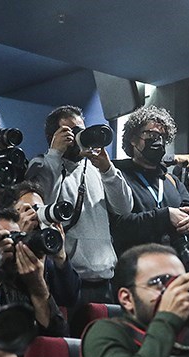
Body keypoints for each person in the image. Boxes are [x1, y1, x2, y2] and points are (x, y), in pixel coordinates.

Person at [25, 105, 132, 304]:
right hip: (68, 278)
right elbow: (41, 201)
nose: (77, 137)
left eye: (80, 130)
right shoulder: (42, 164)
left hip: (106, 278)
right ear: (52, 137)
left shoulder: (95, 167)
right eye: (70, 132)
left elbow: (124, 208)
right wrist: (55, 154)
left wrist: (107, 169)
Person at [110, 105, 189, 271]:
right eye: (151, 135)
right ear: (133, 139)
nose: (158, 140)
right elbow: (119, 227)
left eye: (163, 136)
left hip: (175, 269)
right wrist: (165, 216)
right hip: (137, 271)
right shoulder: (118, 178)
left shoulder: (172, 181)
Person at [0, 180, 81, 311]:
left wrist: (61, 257)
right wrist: (18, 235)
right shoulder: (0, 251)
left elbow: (69, 298)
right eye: (28, 209)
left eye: (38, 209)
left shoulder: (45, 257)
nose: (34, 215)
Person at [0, 207, 68, 337]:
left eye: (17, 237)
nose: (14, 245)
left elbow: (56, 337)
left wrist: (38, 287)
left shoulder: (29, 277)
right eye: (5, 238)